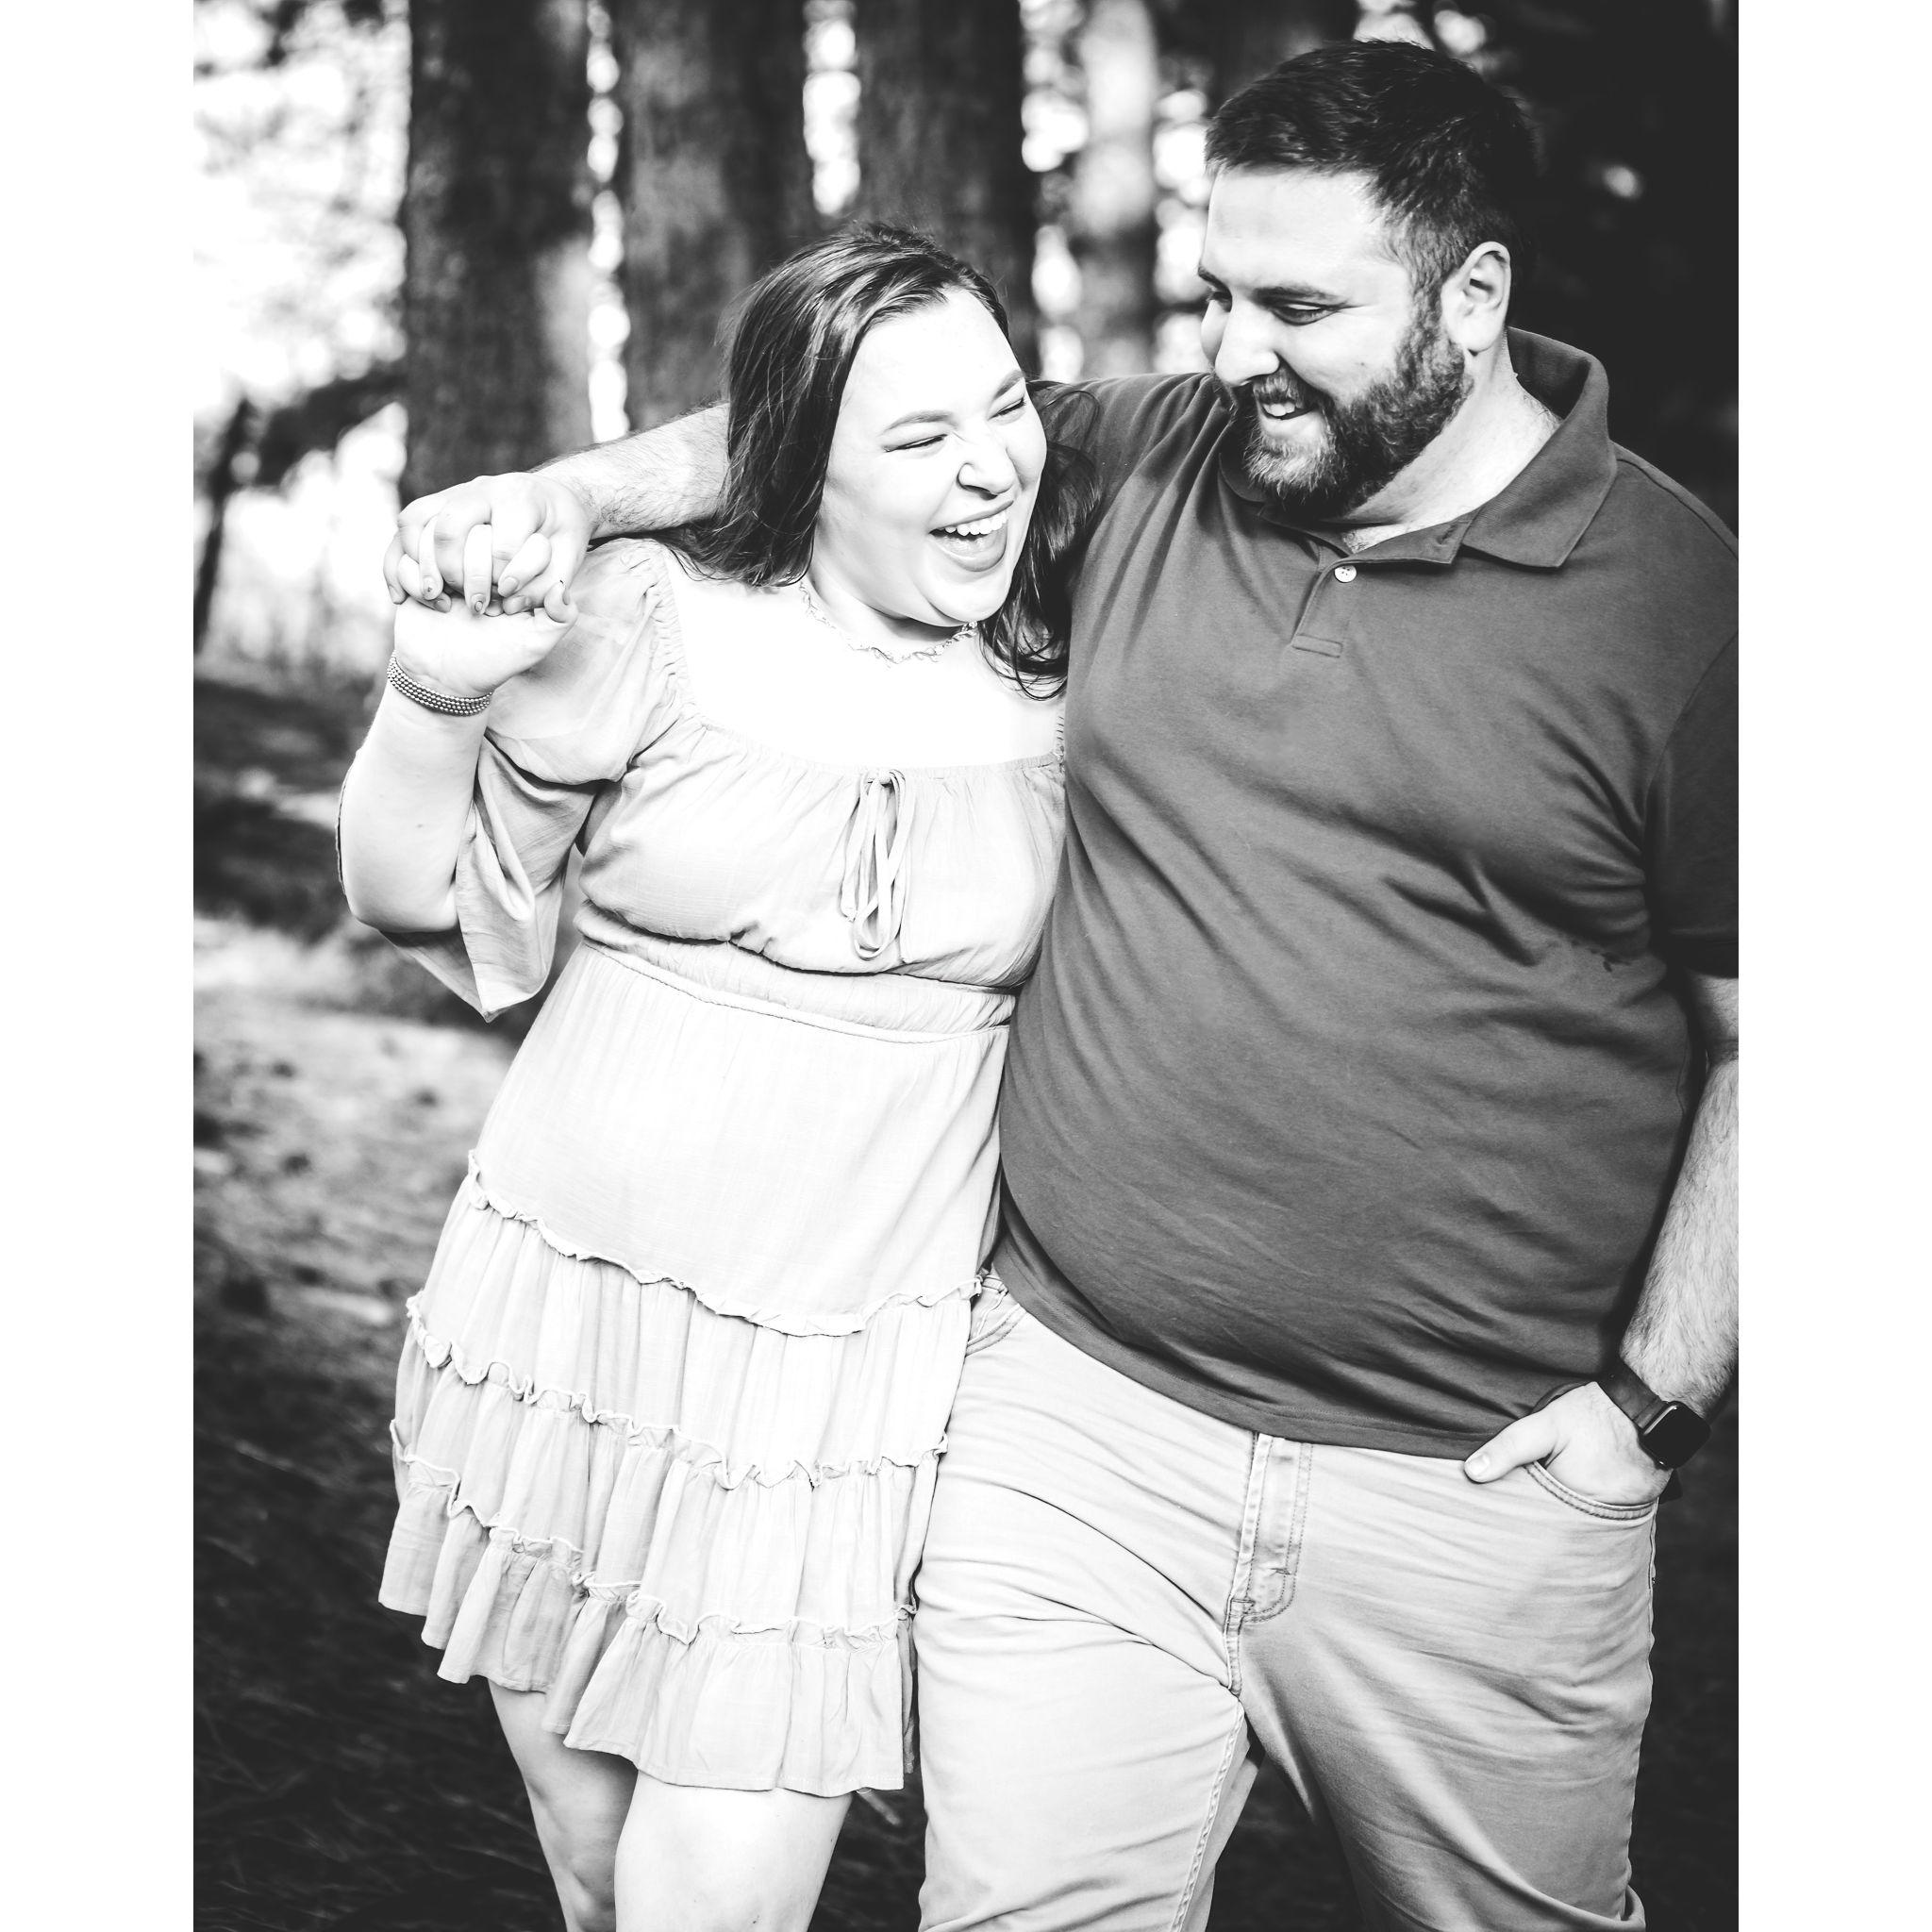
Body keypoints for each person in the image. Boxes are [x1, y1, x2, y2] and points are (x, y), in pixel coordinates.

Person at [389, 41, 1737, 1932]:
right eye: (1217, 295)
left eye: (1297, 308)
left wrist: (1649, 1409)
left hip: (1465, 1495)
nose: (1236, 353)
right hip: (1071, 1434)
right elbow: (815, 420)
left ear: (1472, 294)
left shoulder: (1683, 609)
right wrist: (566, 492)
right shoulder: (1167, 458)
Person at [341, 224, 1093, 1932]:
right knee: (596, 1872)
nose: (991, 469)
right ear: (800, 462)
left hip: (838, 1384)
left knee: (717, 1899)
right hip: (567, 1326)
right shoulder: (651, 617)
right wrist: (435, 693)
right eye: (920, 436)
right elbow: (408, 896)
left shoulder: (1076, 653)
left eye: (1005, 409)